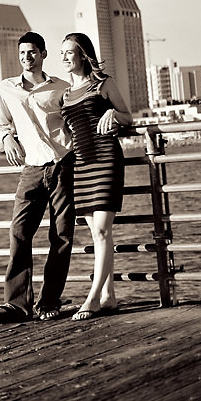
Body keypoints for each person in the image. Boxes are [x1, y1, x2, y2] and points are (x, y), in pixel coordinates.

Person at [0, 32, 75, 323]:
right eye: (23, 53)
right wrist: (6, 138)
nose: (27, 57)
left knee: (61, 236)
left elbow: (76, 121)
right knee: (19, 233)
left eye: (33, 52)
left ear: (43, 54)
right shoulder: (6, 88)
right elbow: (1, 124)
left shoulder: (62, 88)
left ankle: (50, 301)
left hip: (62, 165)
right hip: (32, 169)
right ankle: (17, 304)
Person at [59, 32, 132, 321]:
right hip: (82, 164)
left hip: (106, 160)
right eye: (61, 52)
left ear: (82, 55)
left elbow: (129, 117)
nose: (64, 57)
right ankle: (109, 296)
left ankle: (91, 299)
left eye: (69, 52)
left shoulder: (103, 83)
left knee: (101, 232)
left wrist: (114, 114)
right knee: (98, 234)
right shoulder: (65, 94)